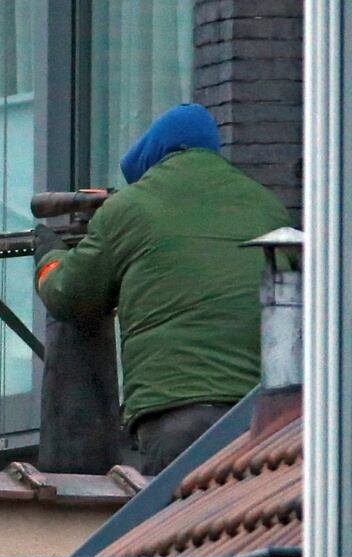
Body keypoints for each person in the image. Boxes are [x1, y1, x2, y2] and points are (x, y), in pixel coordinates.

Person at [34, 103, 291, 475]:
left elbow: (69, 295)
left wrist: (49, 256)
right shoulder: (268, 206)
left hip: (177, 416)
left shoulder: (129, 207)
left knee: (181, 528)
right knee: (256, 530)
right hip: (265, 418)